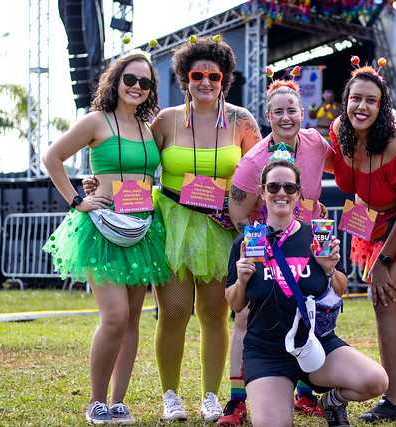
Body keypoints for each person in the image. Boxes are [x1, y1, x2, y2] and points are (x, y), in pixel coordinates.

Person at [42, 51, 171, 424]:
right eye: (129, 79)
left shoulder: (149, 128)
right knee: (113, 317)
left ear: (151, 89)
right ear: (115, 81)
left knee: (132, 320)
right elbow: (53, 157)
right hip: (103, 228)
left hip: (143, 227)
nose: (136, 87)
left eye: (145, 83)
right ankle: (96, 402)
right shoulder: (96, 121)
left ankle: (118, 402)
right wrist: (78, 200)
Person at [225, 159, 389, 427]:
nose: (282, 193)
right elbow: (235, 302)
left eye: (289, 187)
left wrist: (328, 269)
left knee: (376, 381)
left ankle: (331, 403)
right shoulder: (246, 242)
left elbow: (340, 289)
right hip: (267, 352)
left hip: (315, 344)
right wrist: (242, 280)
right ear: (262, 192)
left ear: (299, 193)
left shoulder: (318, 236)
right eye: (274, 186)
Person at [150, 35, 261, 422]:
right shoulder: (164, 120)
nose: (205, 82)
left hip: (220, 226)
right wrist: (102, 185)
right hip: (174, 221)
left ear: (224, 78)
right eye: (197, 74)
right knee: (176, 310)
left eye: (214, 75)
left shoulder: (241, 120)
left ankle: (211, 396)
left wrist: (243, 213)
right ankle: (170, 396)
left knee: (214, 310)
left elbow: (261, 171)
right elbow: (139, 163)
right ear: (185, 77)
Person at [219, 79, 333, 425]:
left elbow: (336, 170)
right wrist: (257, 249)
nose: (286, 117)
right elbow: (237, 212)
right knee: (245, 317)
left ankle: (302, 392)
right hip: (264, 248)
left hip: (307, 244)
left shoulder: (316, 143)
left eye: (292, 110)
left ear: (302, 113)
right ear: (268, 116)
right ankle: (237, 399)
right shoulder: (255, 161)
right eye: (278, 111)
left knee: (303, 312)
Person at [329, 63, 396, 422]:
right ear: (346, 101)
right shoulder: (339, 133)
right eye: (356, 98)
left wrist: (382, 263)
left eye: (371, 101)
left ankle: (394, 401)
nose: (362, 106)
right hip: (376, 222)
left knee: (386, 300)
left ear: (382, 106)